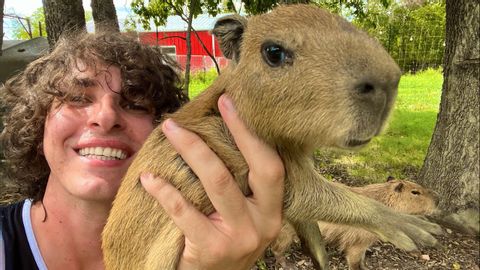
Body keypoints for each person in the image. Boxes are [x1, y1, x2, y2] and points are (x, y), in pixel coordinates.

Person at [0, 31, 285, 270]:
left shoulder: (209, 249)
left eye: (134, 103)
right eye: (77, 97)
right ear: (38, 126)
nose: (107, 116)